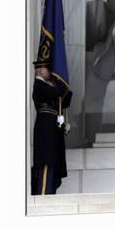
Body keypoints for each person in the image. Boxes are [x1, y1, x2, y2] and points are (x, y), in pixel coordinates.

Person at [31, 60, 73, 195]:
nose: (50, 73)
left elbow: (63, 98)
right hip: (45, 131)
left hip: (51, 131)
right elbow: (57, 92)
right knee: (45, 165)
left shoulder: (45, 86)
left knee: (52, 165)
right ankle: (44, 194)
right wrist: (59, 78)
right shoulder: (39, 85)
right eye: (49, 71)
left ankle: (48, 192)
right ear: (42, 70)